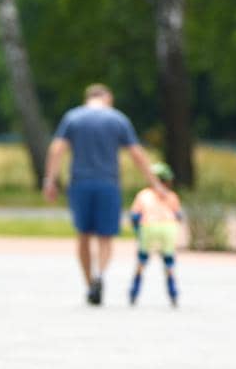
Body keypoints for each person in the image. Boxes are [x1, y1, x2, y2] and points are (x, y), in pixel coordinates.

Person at [43, 83, 170, 306]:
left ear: (87, 98)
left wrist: (50, 180)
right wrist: (155, 184)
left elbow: (57, 149)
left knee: (83, 235)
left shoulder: (72, 118)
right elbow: (137, 154)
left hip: (80, 183)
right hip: (108, 183)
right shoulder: (117, 119)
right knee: (105, 237)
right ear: (107, 98)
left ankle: (89, 283)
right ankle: (100, 275)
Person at [129, 163, 184, 307]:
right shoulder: (171, 196)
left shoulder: (143, 195)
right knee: (168, 263)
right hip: (168, 227)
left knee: (142, 261)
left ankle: (134, 292)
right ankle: (173, 294)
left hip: (149, 227)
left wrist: (137, 231)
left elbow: (134, 216)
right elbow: (178, 215)